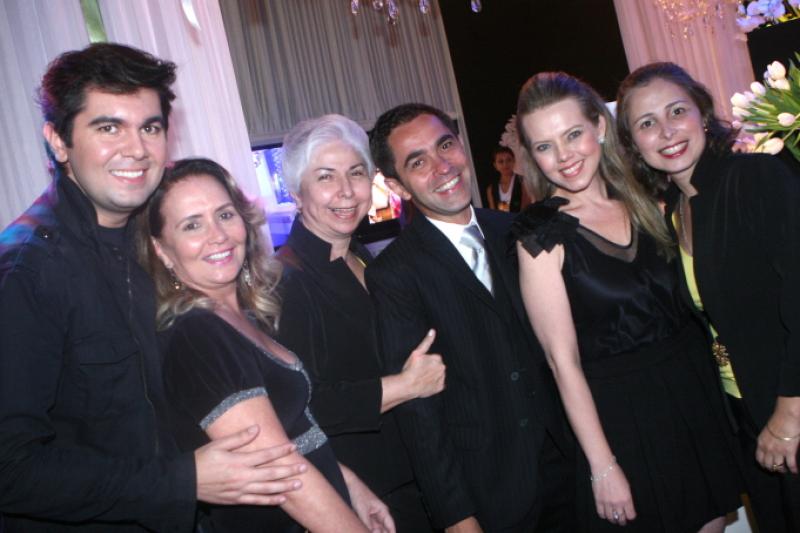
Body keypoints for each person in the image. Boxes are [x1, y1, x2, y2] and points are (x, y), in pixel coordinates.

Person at [0, 43, 304, 532]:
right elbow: (11, 470)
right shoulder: (28, 271)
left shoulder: (156, 239)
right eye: (108, 128)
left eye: (150, 127)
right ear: (58, 141)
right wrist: (181, 480)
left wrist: (335, 473)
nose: (136, 149)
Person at [511, 71, 742, 532]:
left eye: (573, 134)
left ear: (599, 126)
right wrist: (602, 465)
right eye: (545, 146)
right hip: (621, 419)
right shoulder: (540, 236)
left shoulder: (652, 200)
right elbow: (562, 363)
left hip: (694, 395)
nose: (564, 156)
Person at [139, 157, 394, 533]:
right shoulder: (197, 335)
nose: (218, 235)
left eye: (225, 215)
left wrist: (350, 485)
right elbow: (279, 470)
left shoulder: (244, 316)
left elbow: (292, 435)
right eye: (192, 225)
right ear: (162, 249)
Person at [366, 103, 573, 533]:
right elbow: (418, 412)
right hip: (490, 497)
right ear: (397, 186)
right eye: (418, 162)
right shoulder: (394, 273)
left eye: (445, 146)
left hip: (569, 473)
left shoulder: (516, 231)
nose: (442, 166)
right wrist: (457, 517)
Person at [616, 61, 800, 533]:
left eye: (677, 111)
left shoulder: (755, 177)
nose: (666, 131)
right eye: (646, 123)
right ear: (633, 144)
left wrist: (790, 411)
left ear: (702, 112)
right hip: (745, 413)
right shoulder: (676, 212)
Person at [275, 114, 444, 532]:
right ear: (296, 193)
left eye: (355, 172)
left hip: (417, 475)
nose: (346, 191)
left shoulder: (364, 258)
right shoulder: (284, 281)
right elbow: (298, 407)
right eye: (325, 177)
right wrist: (406, 386)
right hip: (361, 496)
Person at [485, 146, 530, 211]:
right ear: (495, 165)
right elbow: (494, 213)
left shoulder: (523, 181)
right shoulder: (491, 189)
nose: (505, 164)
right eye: (501, 161)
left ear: (514, 161)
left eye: (508, 160)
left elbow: (526, 208)